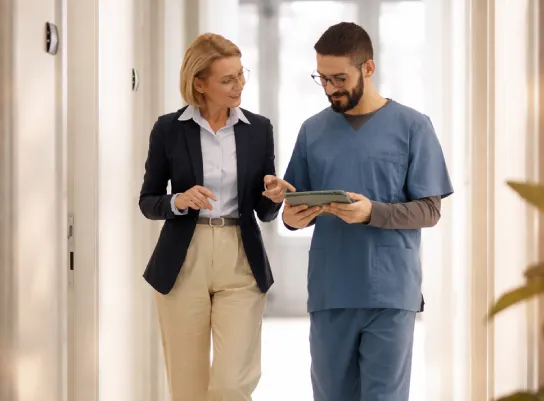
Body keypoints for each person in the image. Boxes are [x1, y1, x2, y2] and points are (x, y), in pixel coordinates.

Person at [282, 22, 454, 401]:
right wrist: (290, 219)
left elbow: (429, 210)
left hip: (390, 293)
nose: (330, 88)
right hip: (331, 291)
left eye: (339, 78)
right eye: (322, 79)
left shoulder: (413, 127)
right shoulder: (312, 131)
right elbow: (296, 204)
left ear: (369, 69)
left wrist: (371, 212)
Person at [139, 33, 293, 401]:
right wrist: (180, 200)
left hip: (240, 255)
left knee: (230, 385)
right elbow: (148, 201)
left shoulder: (259, 129)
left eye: (241, 75)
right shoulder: (168, 129)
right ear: (199, 83)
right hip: (183, 259)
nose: (239, 85)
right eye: (227, 79)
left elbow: (265, 211)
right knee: (188, 387)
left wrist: (274, 195)